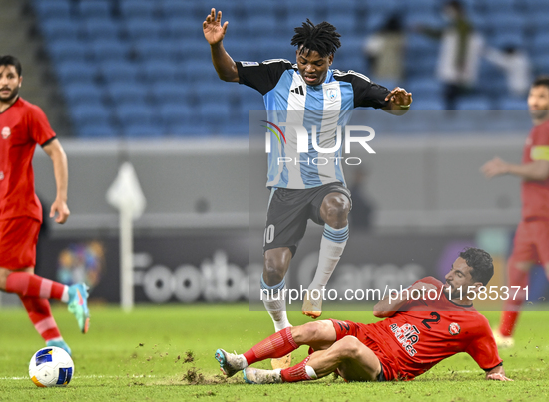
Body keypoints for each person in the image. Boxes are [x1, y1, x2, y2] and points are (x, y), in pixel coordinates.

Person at [203, 9, 412, 369]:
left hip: (326, 182)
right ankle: (282, 330)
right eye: (304, 61)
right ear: (297, 56)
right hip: (285, 188)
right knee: (273, 268)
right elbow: (229, 72)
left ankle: (317, 287)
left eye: (317, 62)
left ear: (330, 59)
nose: (309, 68)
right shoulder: (276, 75)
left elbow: (391, 104)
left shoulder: (349, 84)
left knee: (338, 207)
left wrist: (400, 104)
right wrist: (217, 46)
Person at [215, 248, 511, 383]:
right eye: (451, 269)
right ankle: (240, 362)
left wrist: (497, 377)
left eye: (458, 275)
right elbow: (379, 311)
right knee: (315, 329)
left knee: (347, 347)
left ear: (476, 286)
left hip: (387, 366)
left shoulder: (477, 325)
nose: (448, 276)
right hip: (371, 333)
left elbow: (493, 368)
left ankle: (273, 377)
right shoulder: (431, 287)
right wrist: (412, 291)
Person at [0, 55, 89, 356]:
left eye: (10, 76)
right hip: (3, 208)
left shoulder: (29, 114)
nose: (5, 82)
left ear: (20, 80)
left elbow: (57, 153)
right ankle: (57, 344)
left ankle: (71, 293)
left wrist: (61, 197)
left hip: (20, 208)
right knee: (24, 284)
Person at [481, 76, 549, 348]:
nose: (535, 101)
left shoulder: (545, 130)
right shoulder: (537, 131)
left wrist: (508, 168)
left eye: (542, 97)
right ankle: (505, 333)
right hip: (531, 218)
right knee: (517, 272)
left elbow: (543, 169)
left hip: (545, 216)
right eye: (533, 96)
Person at [415, 0, 484, 110]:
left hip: (458, 67)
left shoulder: (463, 26)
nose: (446, 13)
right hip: (454, 68)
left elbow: (463, 43)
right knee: (451, 94)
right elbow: (441, 34)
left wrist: (460, 61)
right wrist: (424, 30)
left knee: (456, 95)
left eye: (448, 11)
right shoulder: (454, 26)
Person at [364, 15, 406, 85]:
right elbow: (369, 56)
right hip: (380, 76)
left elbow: (369, 55)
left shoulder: (401, 39)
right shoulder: (378, 38)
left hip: (394, 76)